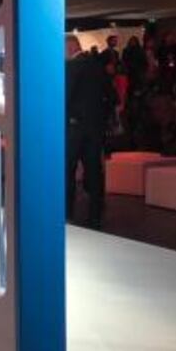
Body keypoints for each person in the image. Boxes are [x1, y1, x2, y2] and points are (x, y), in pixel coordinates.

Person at [66, 36, 115, 228]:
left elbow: (65, 98)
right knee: (94, 172)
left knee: (68, 172)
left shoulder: (70, 66)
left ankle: (67, 215)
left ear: (70, 47)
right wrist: (101, 119)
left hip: (74, 129)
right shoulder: (98, 66)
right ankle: (95, 216)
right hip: (95, 130)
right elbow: (112, 97)